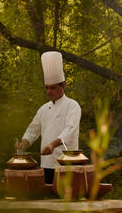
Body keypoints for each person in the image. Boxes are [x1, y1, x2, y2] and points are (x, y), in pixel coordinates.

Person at [16, 51, 81, 184]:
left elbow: (70, 129)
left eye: (52, 88)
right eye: (46, 88)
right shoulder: (44, 109)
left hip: (66, 164)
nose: (48, 91)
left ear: (63, 85)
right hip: (46, 164)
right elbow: (34, 129)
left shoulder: (72, 106)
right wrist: (24, 142)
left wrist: (52, 144)